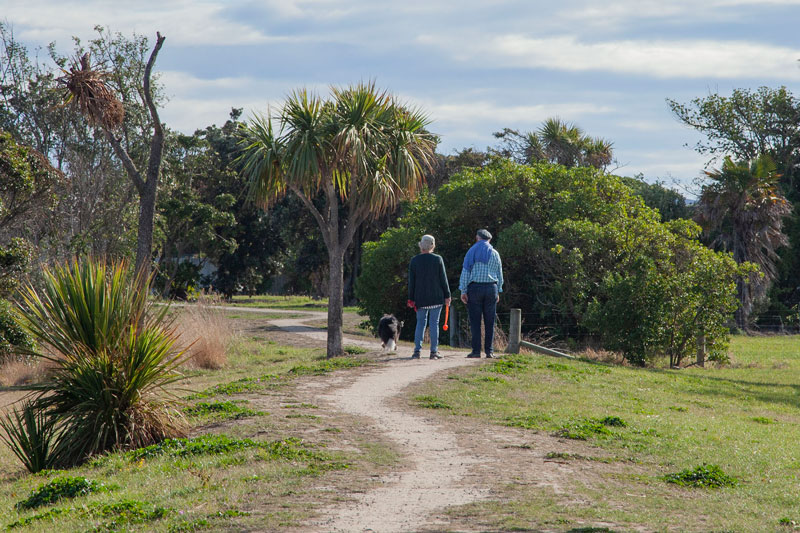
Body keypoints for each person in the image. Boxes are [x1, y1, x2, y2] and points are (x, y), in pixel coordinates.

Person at [459, 229, 504, 358]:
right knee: (490, 321)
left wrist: (463, 290)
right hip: (491, 288)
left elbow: (466, 272)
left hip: (475, 288)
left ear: (477, 238)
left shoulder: (471, 251)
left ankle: (476, 351)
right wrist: (499, 289)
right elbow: (500, 274)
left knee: (475, 321)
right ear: (489, 240)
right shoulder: (495, 253)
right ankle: (489, 351)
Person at [408, 234, 451, 359]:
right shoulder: (438, 259)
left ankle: (417, 351)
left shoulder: (414, 261)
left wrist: (411, 298)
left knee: (420, 323)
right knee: (434, 324)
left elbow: (412, 282)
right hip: (436, 297)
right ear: (432, 246)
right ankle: (433, 351)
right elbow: (443, 279)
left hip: (420, 298)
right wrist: (447, 295)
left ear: (421, 246)